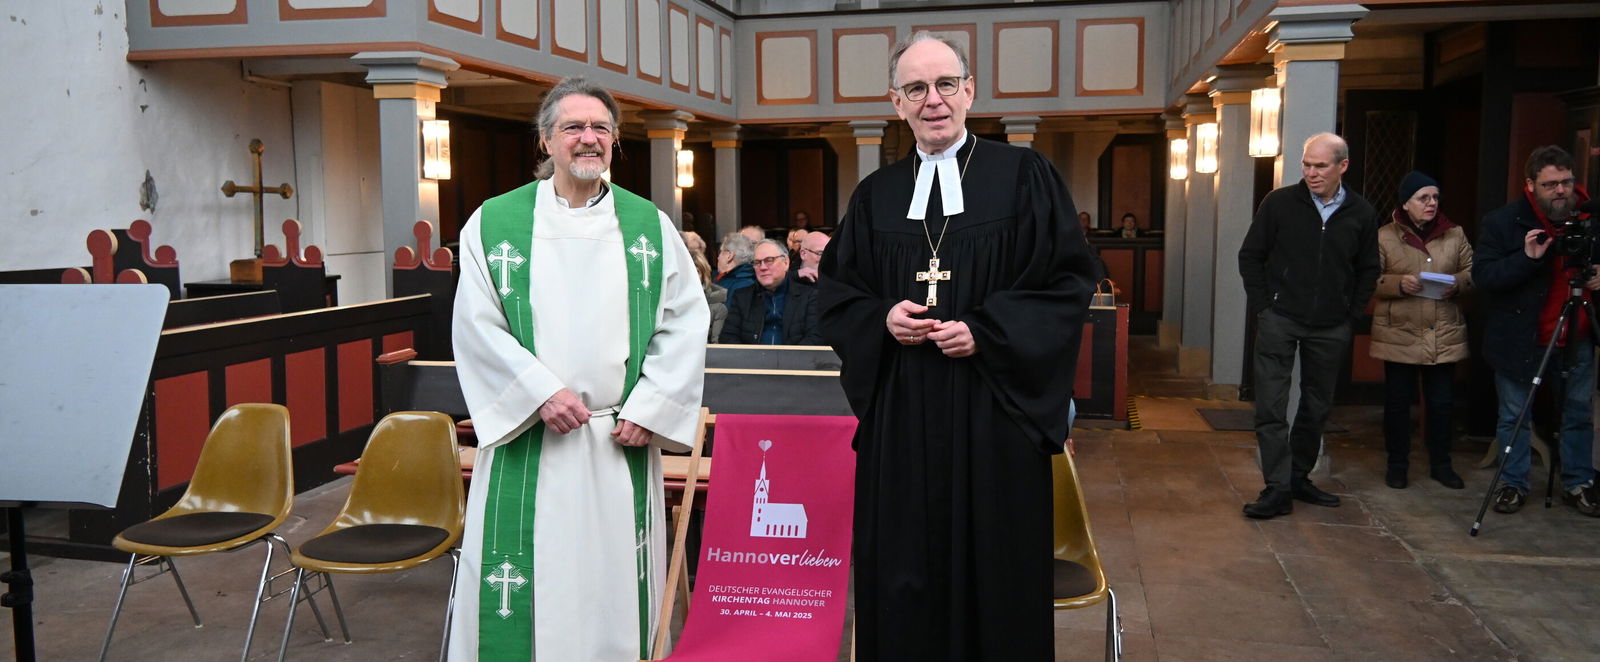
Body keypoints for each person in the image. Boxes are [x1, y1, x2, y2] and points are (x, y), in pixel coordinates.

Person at [818, 32, 1094, 660]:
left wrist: (989, 331)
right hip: (904, 419)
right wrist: (882, 317)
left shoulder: (1024, 176)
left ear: (970, 92)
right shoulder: (876, 196)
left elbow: (1067, 282)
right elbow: (836, 293)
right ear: (896, 102)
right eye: (916, 88)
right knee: (903, 568)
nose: (932, 100)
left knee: (996, 567)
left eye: (946, 84)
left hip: (993, 414)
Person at [448, 76, 709, 661]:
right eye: (573, 128)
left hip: (618, 440)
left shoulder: (648, 226)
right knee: (529, 586)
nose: (588, 139)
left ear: (615, 141)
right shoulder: (493, 224)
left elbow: (686, 323)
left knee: (613, 585)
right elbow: (475, 326)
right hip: (529, 439)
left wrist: (650, 407)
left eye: (600, 129)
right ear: (545, 141)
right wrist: (539, 393)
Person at [1237, 132, 1379, 519]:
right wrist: (1265, 306)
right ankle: (1277, 488)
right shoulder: (1280, 203)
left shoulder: (1362, 213)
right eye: (1307, 165)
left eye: (1321, 166)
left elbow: (1369, 269)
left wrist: (1351, 316)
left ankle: (1298, 477)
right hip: (1280, 319)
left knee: (1316, 407)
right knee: (1270, 406)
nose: (1312, 173)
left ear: (1342, 166)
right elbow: (1250, 256)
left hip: (1331, 325)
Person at [1474, 145, 1600, 516]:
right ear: (1530, 185)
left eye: (1566, 182)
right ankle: (1513, 483)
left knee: (1578, 413)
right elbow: (1484, 276)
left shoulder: (1592, 217)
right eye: (1550, 185)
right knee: (1515, 416)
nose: (1560, 191)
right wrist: (1526, 259)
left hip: (1577, 336)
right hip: (1520, 338)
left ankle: (1579, 483)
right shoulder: (1504, 222)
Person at [1370, 171, 1472, 490]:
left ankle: (1441, 464)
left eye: (1435, 197)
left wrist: (1459, 284)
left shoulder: (1454, 234)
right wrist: (1398, 283)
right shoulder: (1385, 236)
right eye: (1423, 198)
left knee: (1441, 404)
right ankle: (1397, 465)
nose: (1431, 203)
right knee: (1398, 404)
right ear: (1406, 203)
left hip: (1443, 331)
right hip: (1399, 332)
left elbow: (1473, 271)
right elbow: (1369, 278)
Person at [720, 239, 822, 344]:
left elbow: (815, 338)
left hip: (795, 360)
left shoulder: (809, 297)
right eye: (757, 262)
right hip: (751, 359)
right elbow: (728, 338)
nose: (763, 267)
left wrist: (788, 359)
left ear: (786, 263)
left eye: (769, 260)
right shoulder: (742, 297)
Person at [690, 246, 729, 342]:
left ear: (703, 275)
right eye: (689, 271)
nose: (693, 276)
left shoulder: (718, 307)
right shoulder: (673, 301)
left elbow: (716, 344)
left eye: (697, 271)